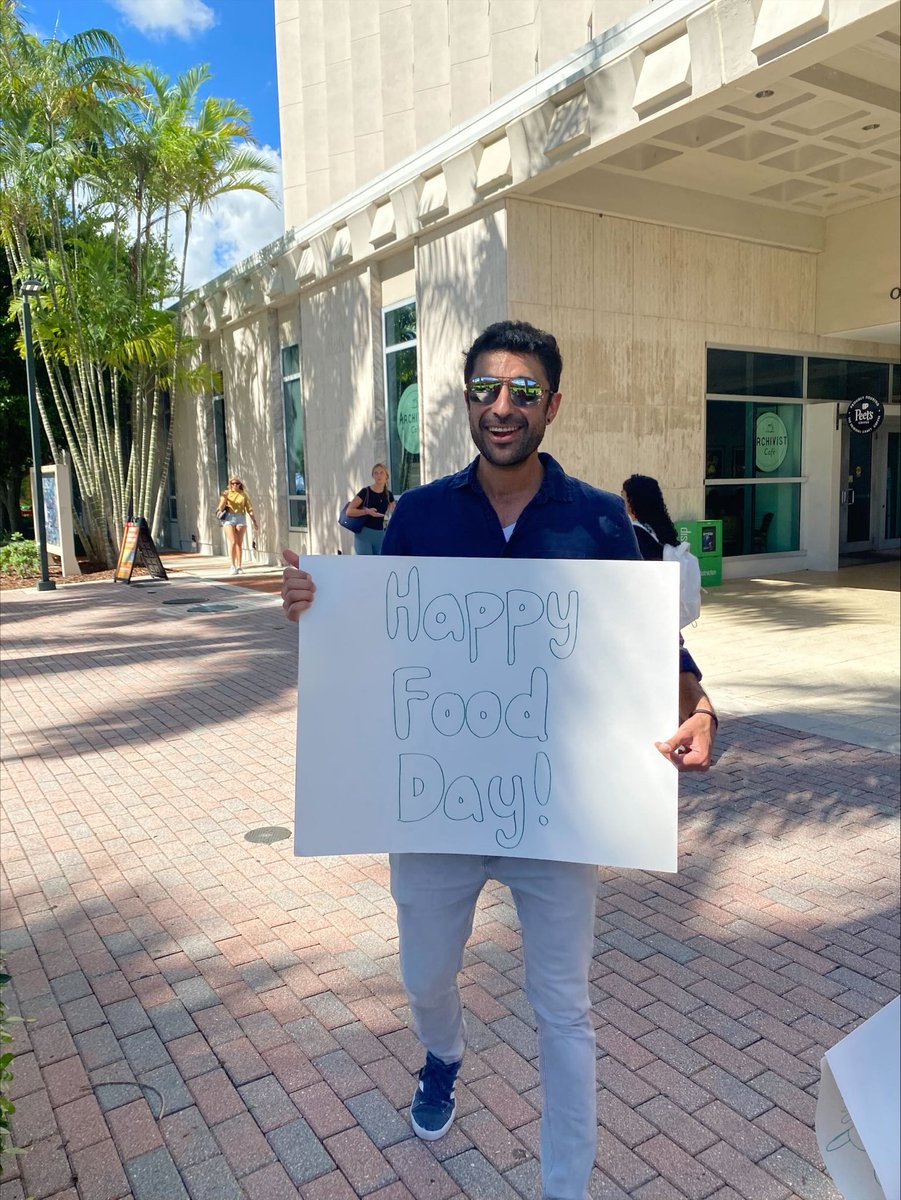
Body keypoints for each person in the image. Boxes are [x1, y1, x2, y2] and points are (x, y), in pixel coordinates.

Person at [282, 320, 717, 1200]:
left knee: (564, 1007)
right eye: (486, 389)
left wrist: (700, 708)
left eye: (523, 390)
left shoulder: (599, 519)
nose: (503, 405)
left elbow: (652, 647)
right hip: (435, 810)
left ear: (552, 405)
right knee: (424, 976)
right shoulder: (420, 514)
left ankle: (566, 1187)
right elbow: (380, 638)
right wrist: (315, 608)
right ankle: (442, 1051)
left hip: (557, 813)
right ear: (465, 401)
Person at [622, 473, 680, 561]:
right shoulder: (660, 529)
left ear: (632, 501)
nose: (621, 501)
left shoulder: (635, 533)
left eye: (623, 497)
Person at [343, 462, 395, 554]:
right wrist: (367, 512)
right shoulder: (365, 492)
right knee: (365, 565)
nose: (379, 475)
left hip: (379, 534)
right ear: (373, 476)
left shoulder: (388, 494)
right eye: (376, 473)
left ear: (386, 476)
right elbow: (349, 511)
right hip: (364, 534)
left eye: (381, 473)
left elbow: (394, 512)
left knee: (379, 565)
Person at [216, 475, 258, 575]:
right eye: (232, 483)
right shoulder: (226, 493)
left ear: (240, 484)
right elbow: (220, 508)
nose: (235, 485)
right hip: (229, 518)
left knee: (239, 543)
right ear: (230, 484)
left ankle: (239, 566)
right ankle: (232, 565)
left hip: (240, 517)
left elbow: (249, 509)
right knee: (233, 541)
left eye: (237, 483)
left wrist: (254, 521)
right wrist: (225, 498)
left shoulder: (244, 495)